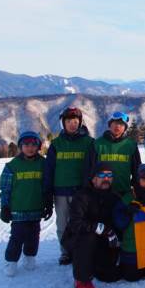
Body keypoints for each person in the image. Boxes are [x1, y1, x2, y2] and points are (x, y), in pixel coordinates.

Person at [61, 163, 121, 288]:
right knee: (88, 236)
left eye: (109, 175)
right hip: (78, 239)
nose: (106, 178)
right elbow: (76, 223)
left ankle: (97, 265)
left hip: (102, 240)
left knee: (109, 275)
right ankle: (81, 280)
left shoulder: (114, 196)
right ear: (93, 178)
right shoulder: (82, 196)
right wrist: (100, 228)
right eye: (101, 175)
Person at [43, 106, 94, 265]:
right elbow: (49, 169)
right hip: (61, 192)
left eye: (75, 121)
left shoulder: (89, 142)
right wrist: (47, 193)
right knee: (62, 224)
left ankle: (80, 250)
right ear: (63, 123)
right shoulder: (56, 144)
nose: (72, 124)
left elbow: (93, 166)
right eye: (69, 121)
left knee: (80, 222)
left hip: (81, 191)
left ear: (80, 123)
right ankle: (65, 252)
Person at [0, 131, 49, 277]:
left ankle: (30, 257)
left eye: (33, 145)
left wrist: (48, 204)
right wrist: (4, 207)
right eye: (26, 145)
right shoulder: (12, 166)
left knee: (34, 235)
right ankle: (11, 261)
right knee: (17, 236)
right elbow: (5, 189)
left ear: (38, 147)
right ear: (21, 146)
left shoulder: (44, 164)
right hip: (18, 210)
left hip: (36, 209)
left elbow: (47, 186)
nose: (30, 148)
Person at [88, 111, 141, 196]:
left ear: (125, 128)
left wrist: (137, 188)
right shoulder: (97, 144)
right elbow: (89, 169)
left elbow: (136, 170)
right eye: (115, 123)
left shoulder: (131, 145)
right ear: (110, 125)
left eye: (121, 124)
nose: (118, 126)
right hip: (101, 193)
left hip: (124, 193)